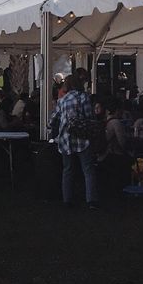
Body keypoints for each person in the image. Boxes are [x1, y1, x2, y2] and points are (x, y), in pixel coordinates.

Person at [52, 74, 99, 209]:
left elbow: (53, 119)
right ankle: (91, 200)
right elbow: (89, 116)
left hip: (65, 139)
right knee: (88, 169)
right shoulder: (83, 97)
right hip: (82, 137)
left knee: (67, 169)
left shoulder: (62, 100)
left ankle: (67, 199)